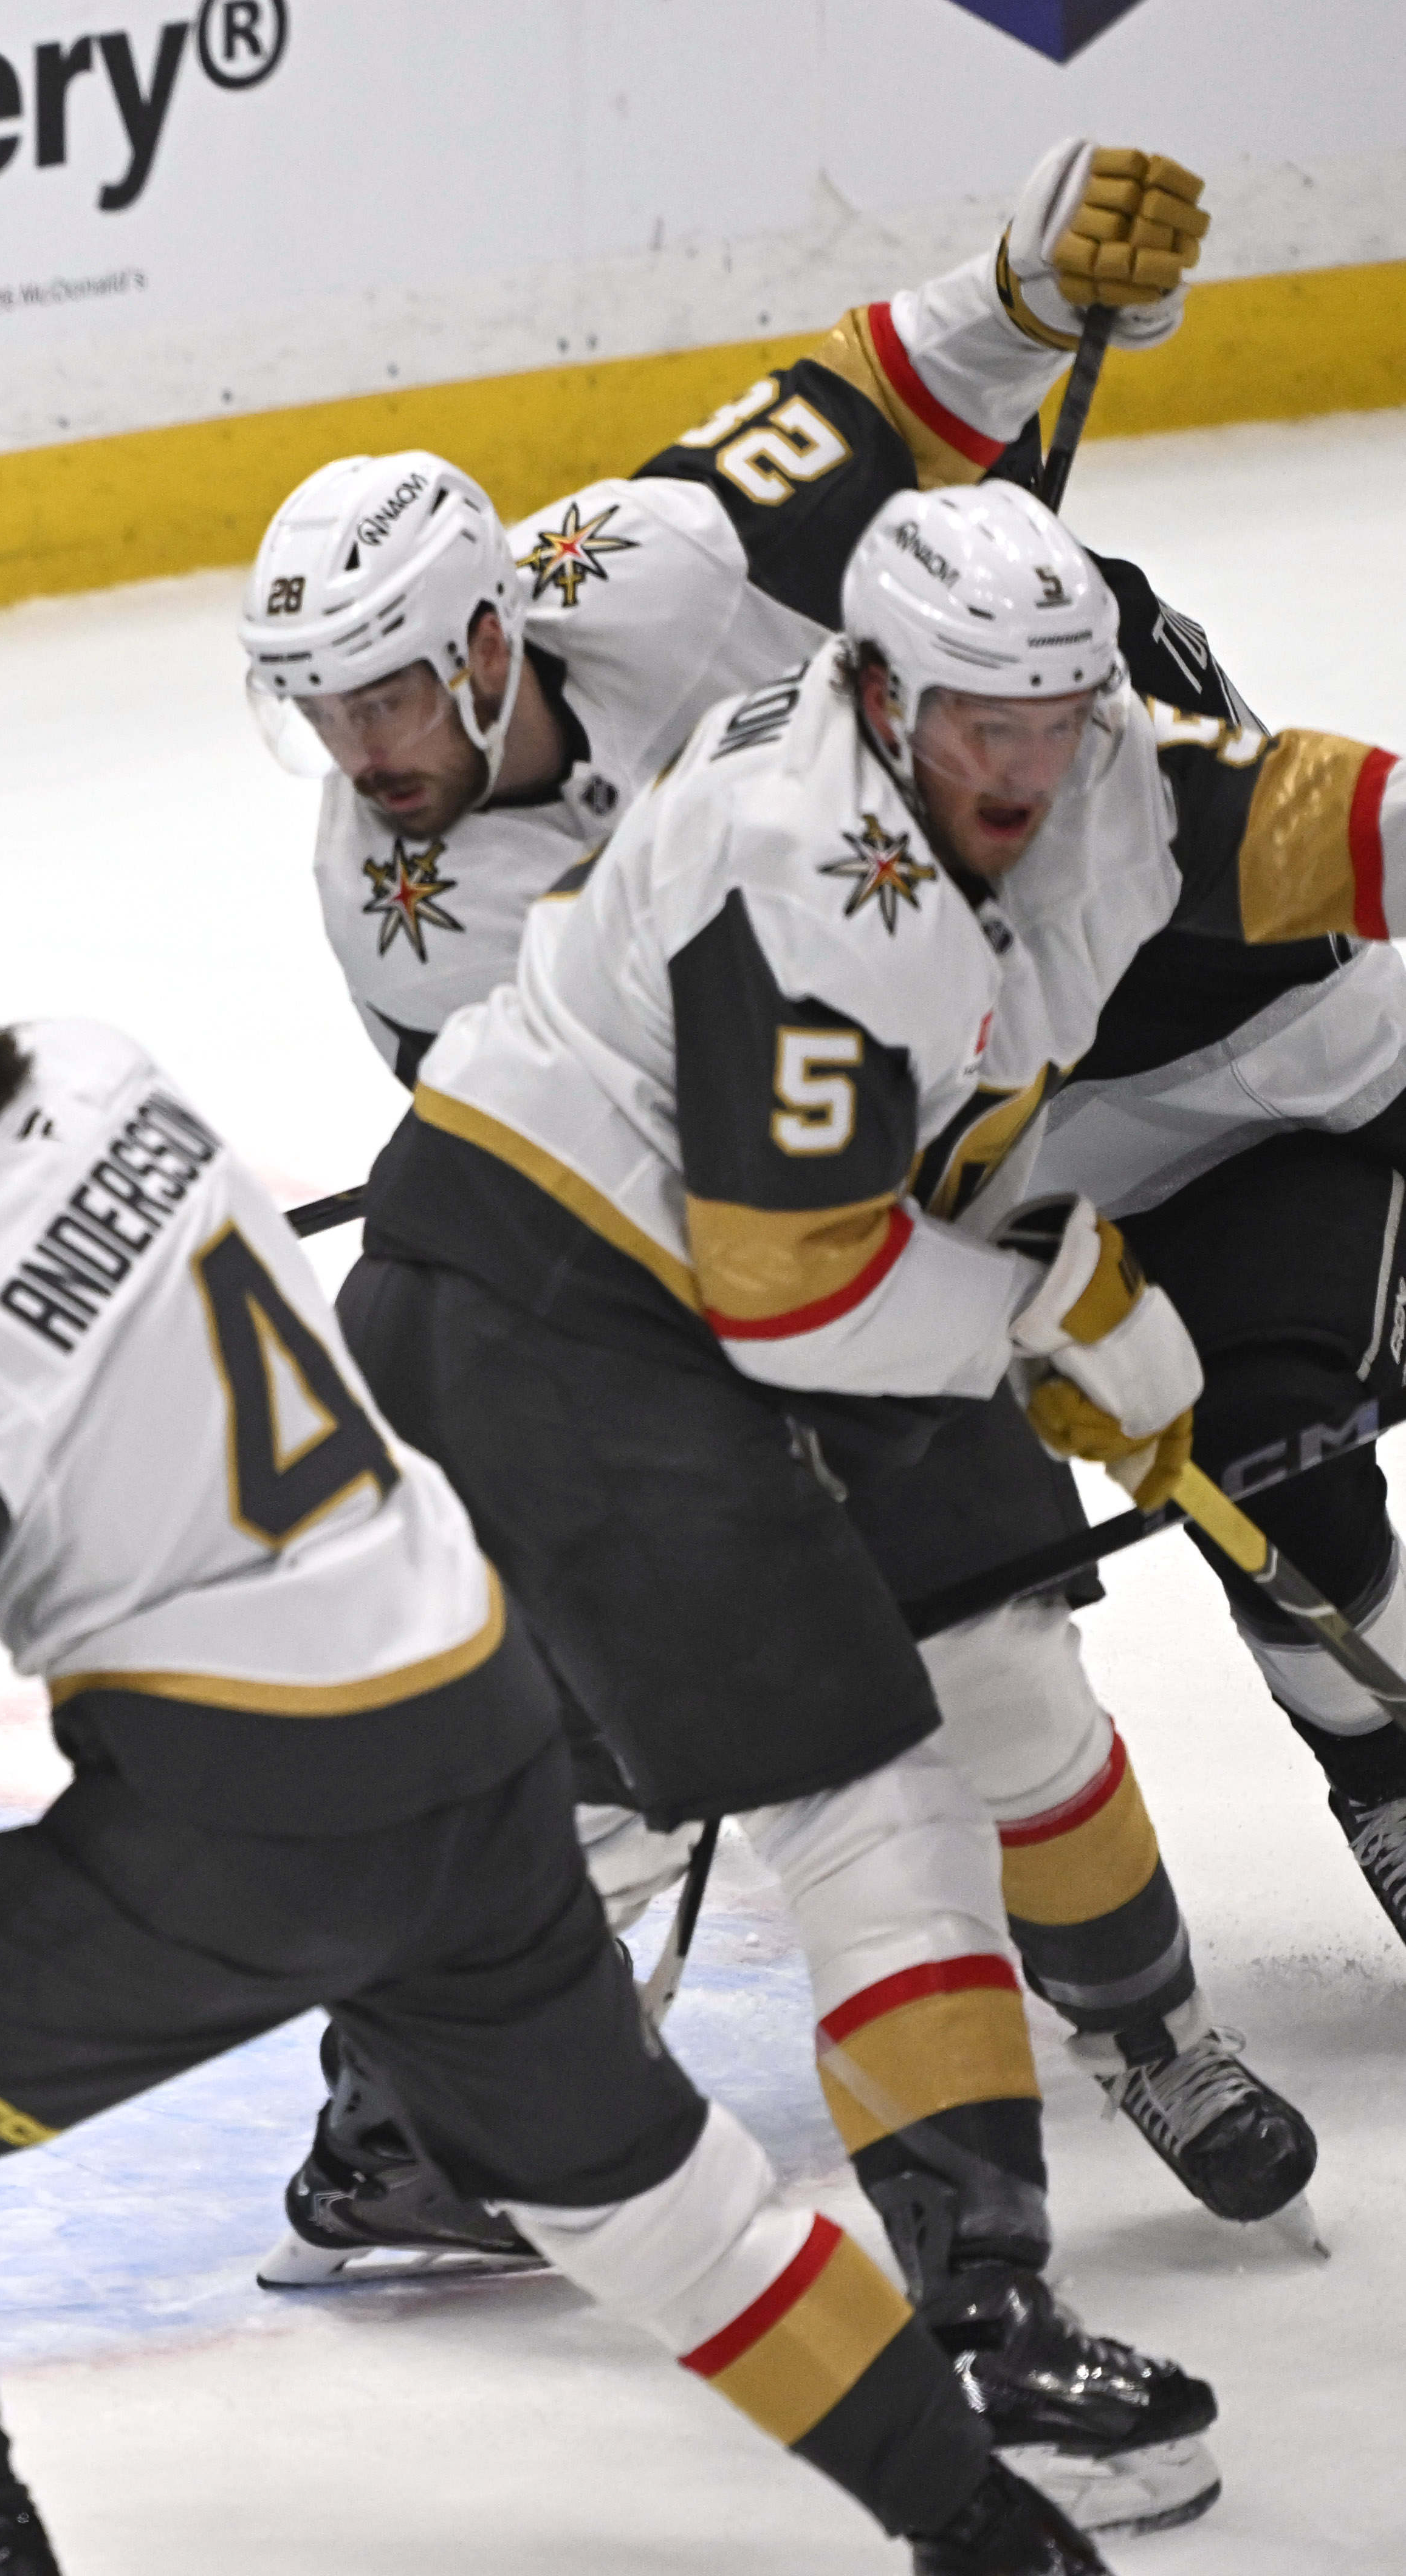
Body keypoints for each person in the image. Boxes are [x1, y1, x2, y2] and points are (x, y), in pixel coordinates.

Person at [0, 852, 1139, 2576]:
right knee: (644, 2201)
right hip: (471, 1721)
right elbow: (49, 1347)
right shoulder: (104, 1074)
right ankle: (987, 2523)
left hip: (240, 1823)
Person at [238, 135, 1339, 2247]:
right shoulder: (402, 908)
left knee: (1001, 1669)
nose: (360, 752)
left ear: (489, 633)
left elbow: (853, 408)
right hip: (657, 1279)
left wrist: (1025, 289)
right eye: (319, 709)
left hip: (863, 1209)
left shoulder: (641, 565)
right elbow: (704, 1171)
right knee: (565, 1695)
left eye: (383, 690)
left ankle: (1146, 2029)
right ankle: (424, 2097)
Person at [329, 490, 1229, 2547]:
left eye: (1051, 717)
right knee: (868, 1800)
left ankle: (413, 2109)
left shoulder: (790, 719)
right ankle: (983, 2335)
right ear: (886, 693)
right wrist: (1042, 1305)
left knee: (689, 1766)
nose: (1023, 760)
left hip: (510, 1300)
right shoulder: (814, 876)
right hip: (581, 1328)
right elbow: (791, 1287)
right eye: (981, 717)